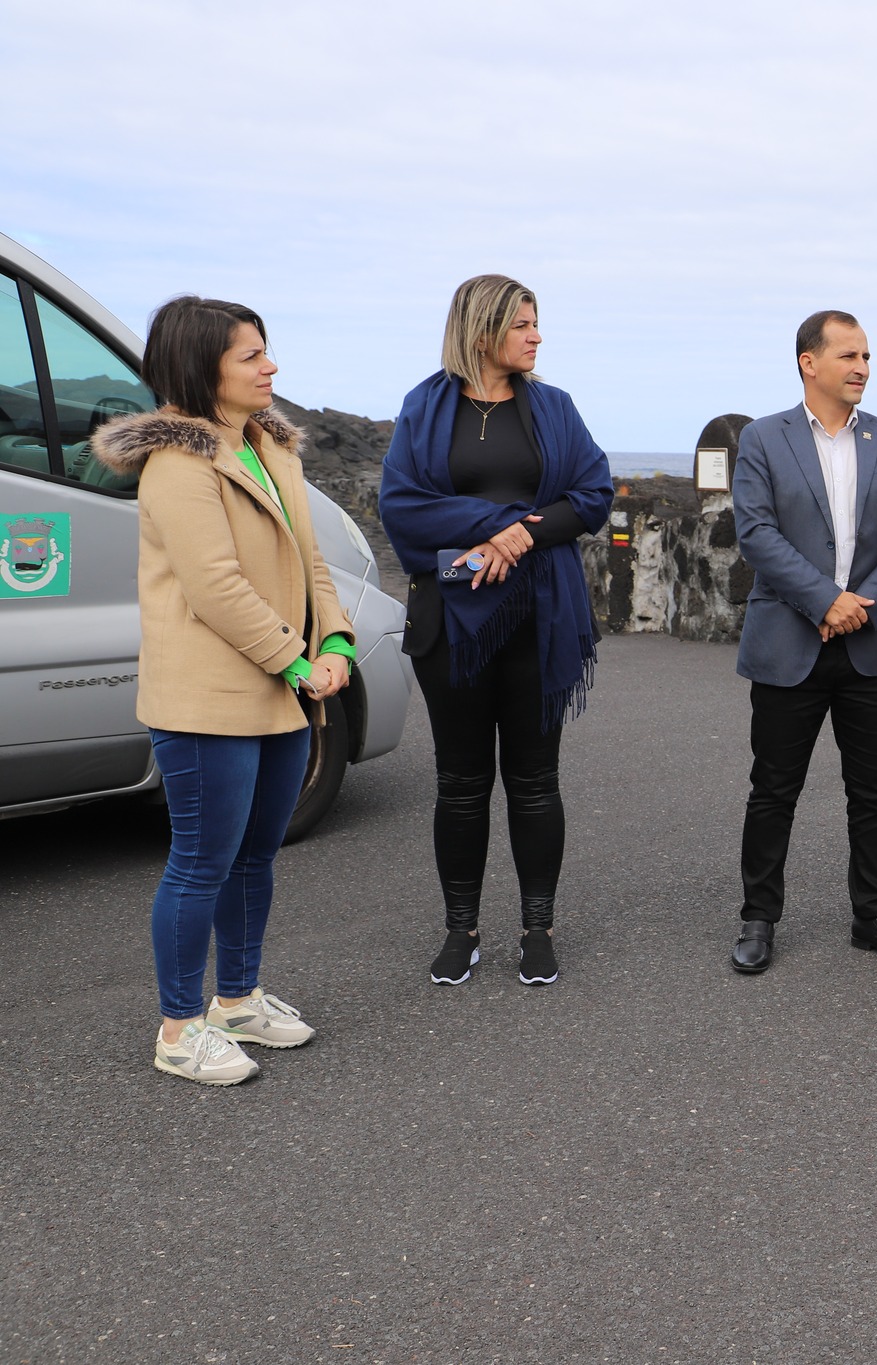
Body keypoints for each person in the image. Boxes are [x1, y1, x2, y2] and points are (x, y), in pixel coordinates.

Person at [97, 295, 356, 1085]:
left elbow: (310, 563)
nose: (270, 365)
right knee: (201, 861)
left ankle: (236, 1001)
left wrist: (336, 637)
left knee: (255, 854)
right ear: (199, 366)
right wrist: (295, 659)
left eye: (265, 350)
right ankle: (180, 1027)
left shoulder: (268, 449)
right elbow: (215, 587)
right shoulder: (177, 463)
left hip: (277, 689)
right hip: (207, 695)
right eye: (251, 355)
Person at [379, 275, 613, 989]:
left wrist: (520, 537)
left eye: (537, 324)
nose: (537, 337)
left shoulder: (554, 407)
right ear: (483, 332)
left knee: (536, 780)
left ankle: (537, 929)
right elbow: (402, 508)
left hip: (538, 616)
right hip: (451, 621)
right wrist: (498, 529)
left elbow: (593, 494)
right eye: (524, 326)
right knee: (460, 782)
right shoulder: (425, 406)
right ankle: (462, 930)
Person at [727, 310, 877, 974]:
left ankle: (872, 913)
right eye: (848, 355)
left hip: (871, 642)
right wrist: (824, 600)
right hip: (791, 639)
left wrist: (858, 608)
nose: (862, 367)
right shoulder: (763, 439)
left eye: (868, 356)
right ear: (807, 362)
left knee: (873, 790)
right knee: (773, 787)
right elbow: (757, 534)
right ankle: (759, 917)